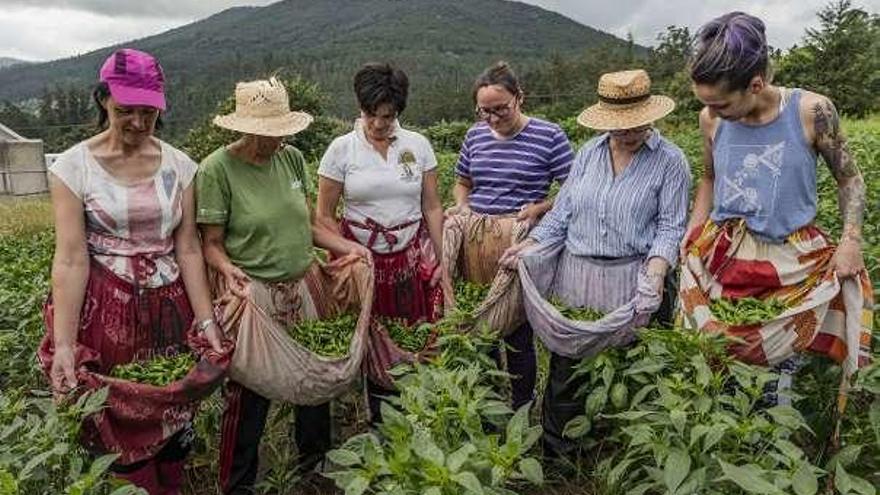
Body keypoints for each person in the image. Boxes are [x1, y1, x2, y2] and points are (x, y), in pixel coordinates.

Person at [43, 48, 224, 493]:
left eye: (148, 113)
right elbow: (70, 257)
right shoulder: (73, 166)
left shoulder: (180, 166)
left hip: (169, 309)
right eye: (126, 111)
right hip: (107, 310)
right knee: (118, 418)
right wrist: (65, 345)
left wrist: (206, 323)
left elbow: (188, 249)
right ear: (103, 100)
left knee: (174, 407)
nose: (139, 124)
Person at [681, 12, 869, 404]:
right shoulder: (709, 120)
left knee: (778, 370)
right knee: (720, 358)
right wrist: (695, 227)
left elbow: (849, 179)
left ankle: (772, 445)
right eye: (708, 105)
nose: (713, 113)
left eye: (721, 104)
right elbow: (710, 178)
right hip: (727, 258)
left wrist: (851, 239)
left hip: (788, 261)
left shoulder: (811, 111)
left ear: (755, 83)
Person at [501, 69, 691, 457]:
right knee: (567, 369)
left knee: (628, 370)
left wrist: (655, 274)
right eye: (620, 126)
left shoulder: (671, 161)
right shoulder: (589, 153)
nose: (628, 132)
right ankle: (560, 456)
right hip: (579, 276)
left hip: (631, 276)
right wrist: (530, 244)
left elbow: (671, 227)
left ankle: (621, 457)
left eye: (637, 124)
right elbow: (562, 213)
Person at [196, 78, 367, 494]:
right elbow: (211, 244)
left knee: (313, 379)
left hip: (301, 288)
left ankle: (314, 469)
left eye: (282, 132)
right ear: (243, 128)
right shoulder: (217, 168)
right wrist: (227, 269)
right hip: (252, 294)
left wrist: (349, 248)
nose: (276, 140)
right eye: (267, 133)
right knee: (251, 392)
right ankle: (238, 484)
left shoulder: (290, 159)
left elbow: (308, 226)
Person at [315, 63, 446, 422]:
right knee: (372, 338)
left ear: (399, 111)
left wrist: (442, 259)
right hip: (364, 257)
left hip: (408, 255)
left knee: (413, 336)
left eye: (386, 116)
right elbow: (324, 215)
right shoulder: (342, 150)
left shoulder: (417, 145)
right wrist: (347, 258)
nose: (377, 124)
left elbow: (432, 206)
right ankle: (379, 423)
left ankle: (416, 417)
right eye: (370, 114)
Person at [448, 61, 574, 410]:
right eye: (484, 111)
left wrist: (538, 209)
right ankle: (490, 409)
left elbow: (573, 189)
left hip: (520, 246)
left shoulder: (549, 135)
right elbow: (462, 182)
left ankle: (521, 406)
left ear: (520, 98)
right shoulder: (474, 136)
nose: (492, 118)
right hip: (477, 244)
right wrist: (461, 206)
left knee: (518, 332)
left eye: (500, 108)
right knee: (480, 328)